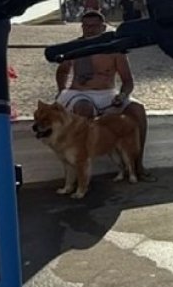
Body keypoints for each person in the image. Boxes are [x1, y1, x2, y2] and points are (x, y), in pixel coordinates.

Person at [55, 10, 151, 177]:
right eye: (86, 26)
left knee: (138, 110)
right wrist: (61, 90)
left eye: (94, 26)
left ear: (103, 27)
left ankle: (138, 165)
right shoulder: (75, 46)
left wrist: (122, 95)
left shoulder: (115, 49)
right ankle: (82, 170)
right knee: (83, 108)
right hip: (80, 92)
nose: (89, 30)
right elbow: (62, 71)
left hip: (107, 92)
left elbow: (127, 80)